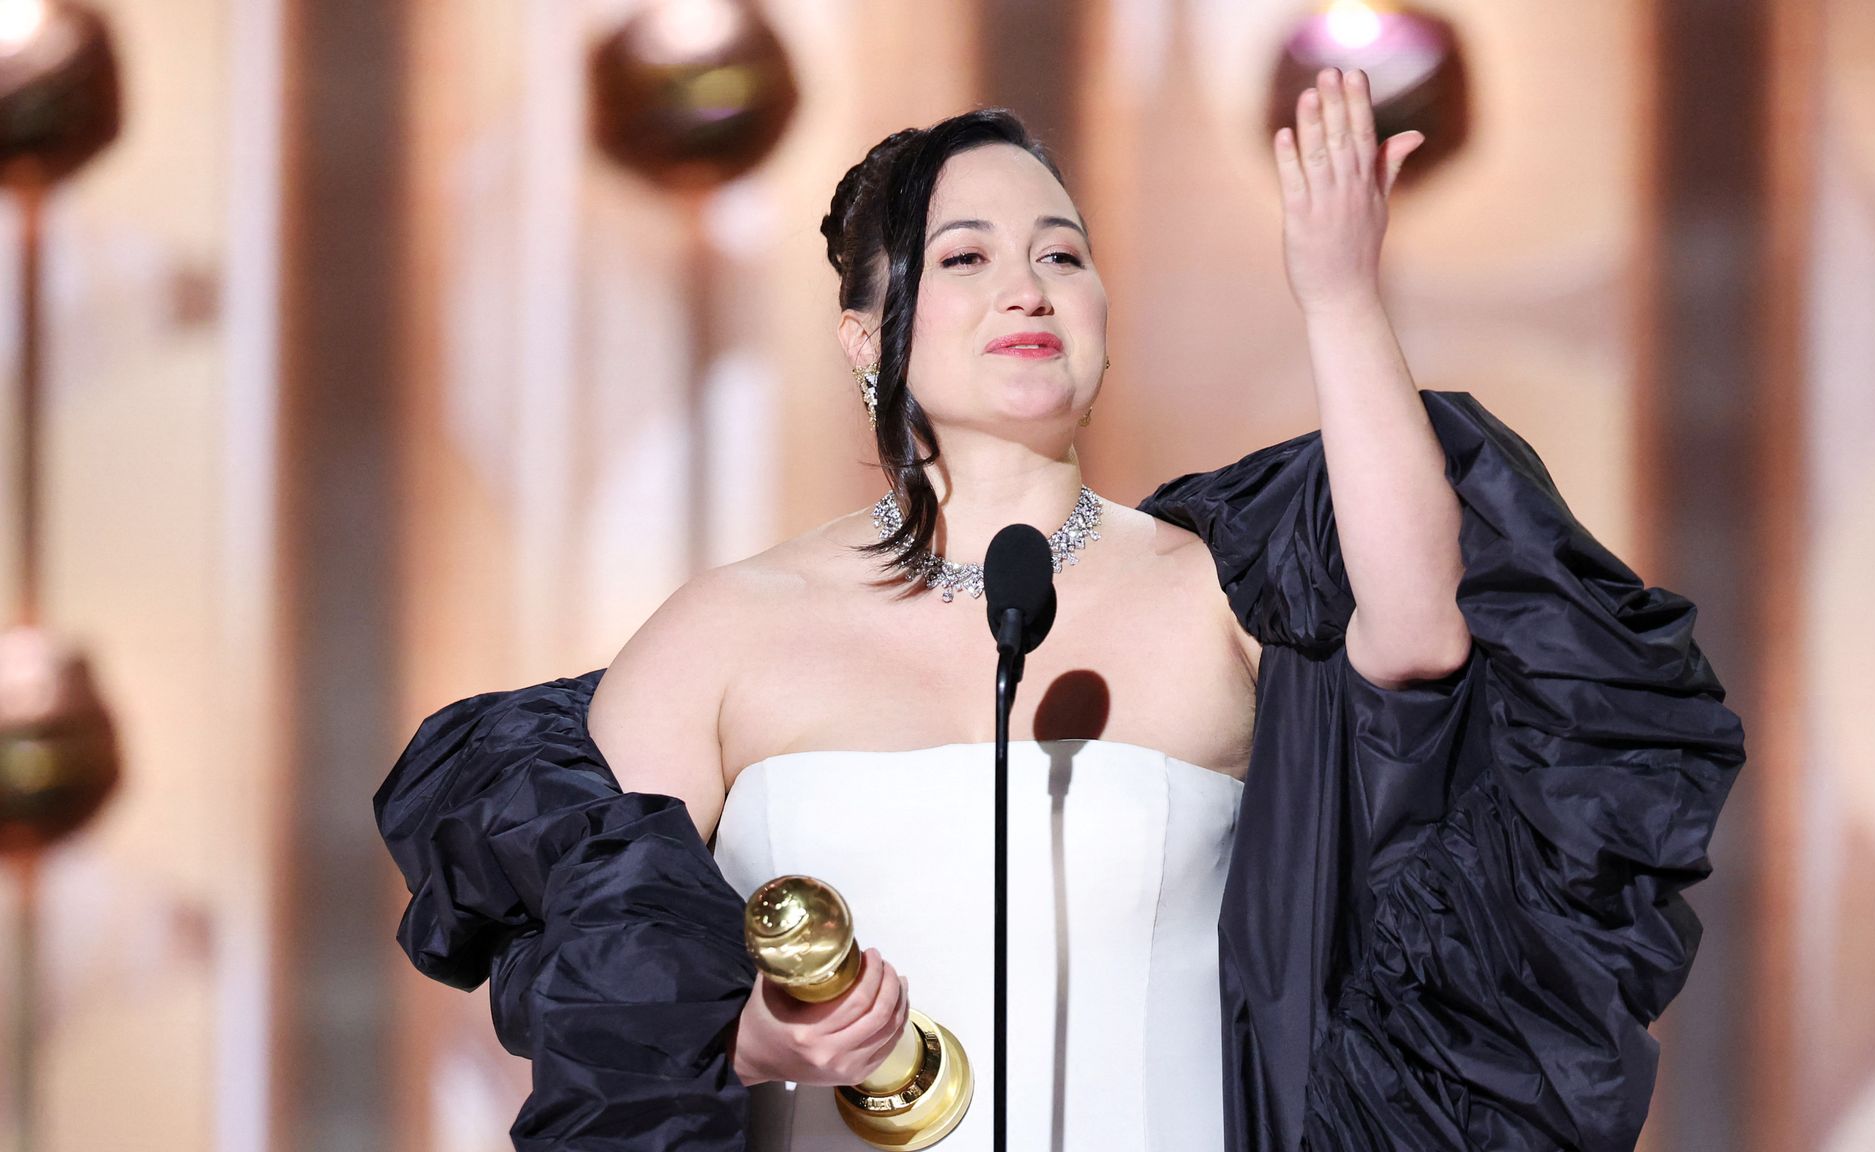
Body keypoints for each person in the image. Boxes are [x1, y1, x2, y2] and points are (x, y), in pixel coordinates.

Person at [375, 68, 1746, 1152]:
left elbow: (1423, 634)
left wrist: (1336, 294)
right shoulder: (724, 633)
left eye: (1063, 254)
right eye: (964, 257)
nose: (1027, 287)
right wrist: (756, 1040)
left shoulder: (1210, 590)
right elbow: (595, 980)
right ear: (868, 332)